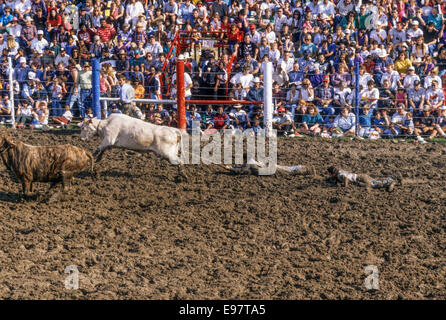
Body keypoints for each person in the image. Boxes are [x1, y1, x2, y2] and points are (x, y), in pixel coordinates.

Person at [327, 166, 399, 192]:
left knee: (373, 185)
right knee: (375, 181)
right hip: (360, 176)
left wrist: (345, 187)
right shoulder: (340, 172)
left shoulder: (340, 175)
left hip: (360, 179)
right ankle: (390, 179)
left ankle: (391, 183)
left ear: (333, 173)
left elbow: (345, 179)